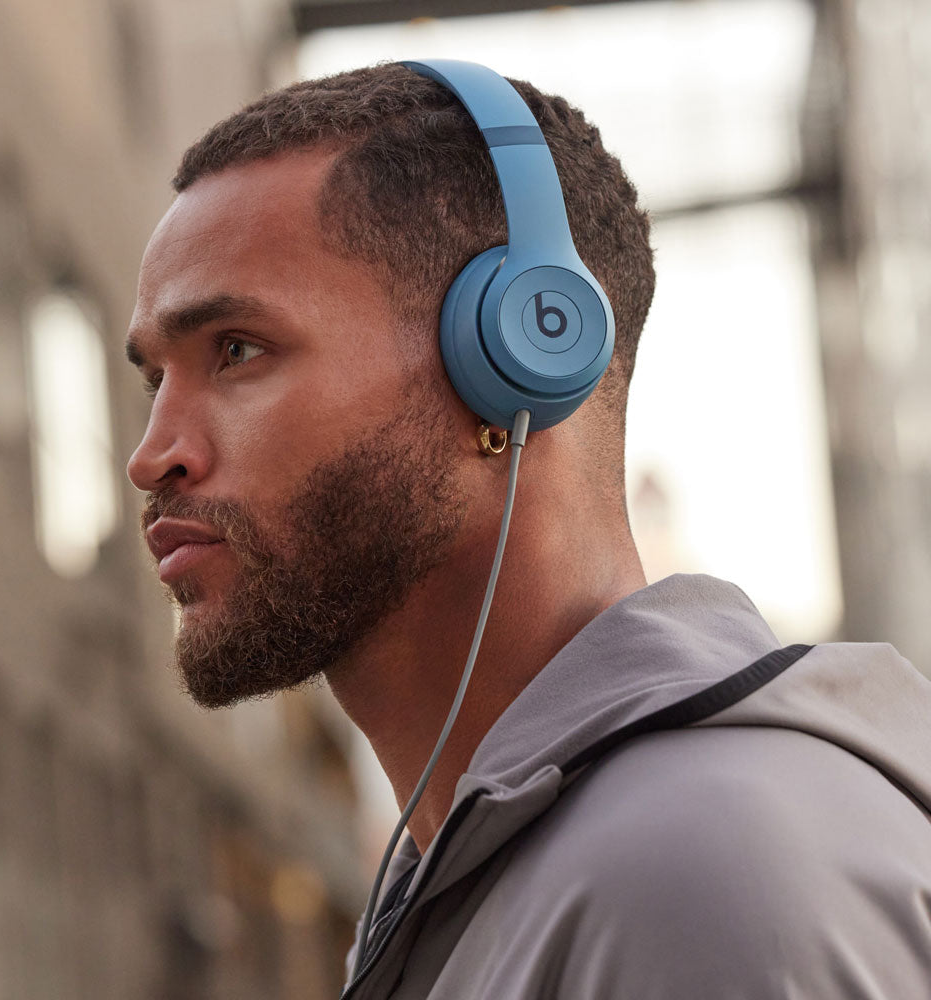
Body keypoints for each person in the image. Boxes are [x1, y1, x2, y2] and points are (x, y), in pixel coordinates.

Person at [125, 62, 931, 999]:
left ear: (516, 354)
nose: (153, 456)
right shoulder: (476, 884)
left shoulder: (695, 874)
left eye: (236, 350)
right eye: (155, 379)